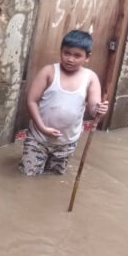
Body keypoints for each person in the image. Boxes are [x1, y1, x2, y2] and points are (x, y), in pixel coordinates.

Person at [20, 29, 108, 176]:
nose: (70, 59)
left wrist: (99, 110)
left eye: (77, 55)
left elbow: (93, 109)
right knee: (28, 175)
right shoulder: (49, 72)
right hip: (38, 138)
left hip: (66, 143)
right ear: (61, 51)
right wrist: (41, 127)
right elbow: (31, 101)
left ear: (87, 57)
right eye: (66, 53)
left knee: (54, 179)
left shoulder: (90, 78)